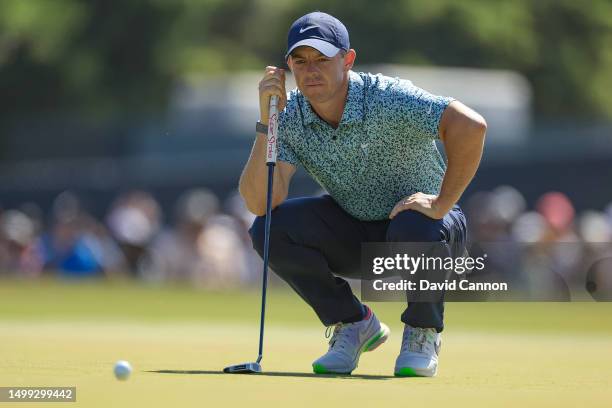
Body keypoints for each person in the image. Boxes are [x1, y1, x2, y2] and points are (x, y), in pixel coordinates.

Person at [239, 11, 486, 377]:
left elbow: (470, 126)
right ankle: (353, 324)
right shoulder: (291, 117)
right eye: (301, 60)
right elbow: (260, 202)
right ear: (288, 65)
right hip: (360, 235)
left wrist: (440, 203)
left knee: (414, 224)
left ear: (348, 59)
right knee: (269, 228)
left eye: (323, 59)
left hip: (431, 233)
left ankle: (422, 332)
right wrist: (268, 121)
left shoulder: (387, 97)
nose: (311, 70)